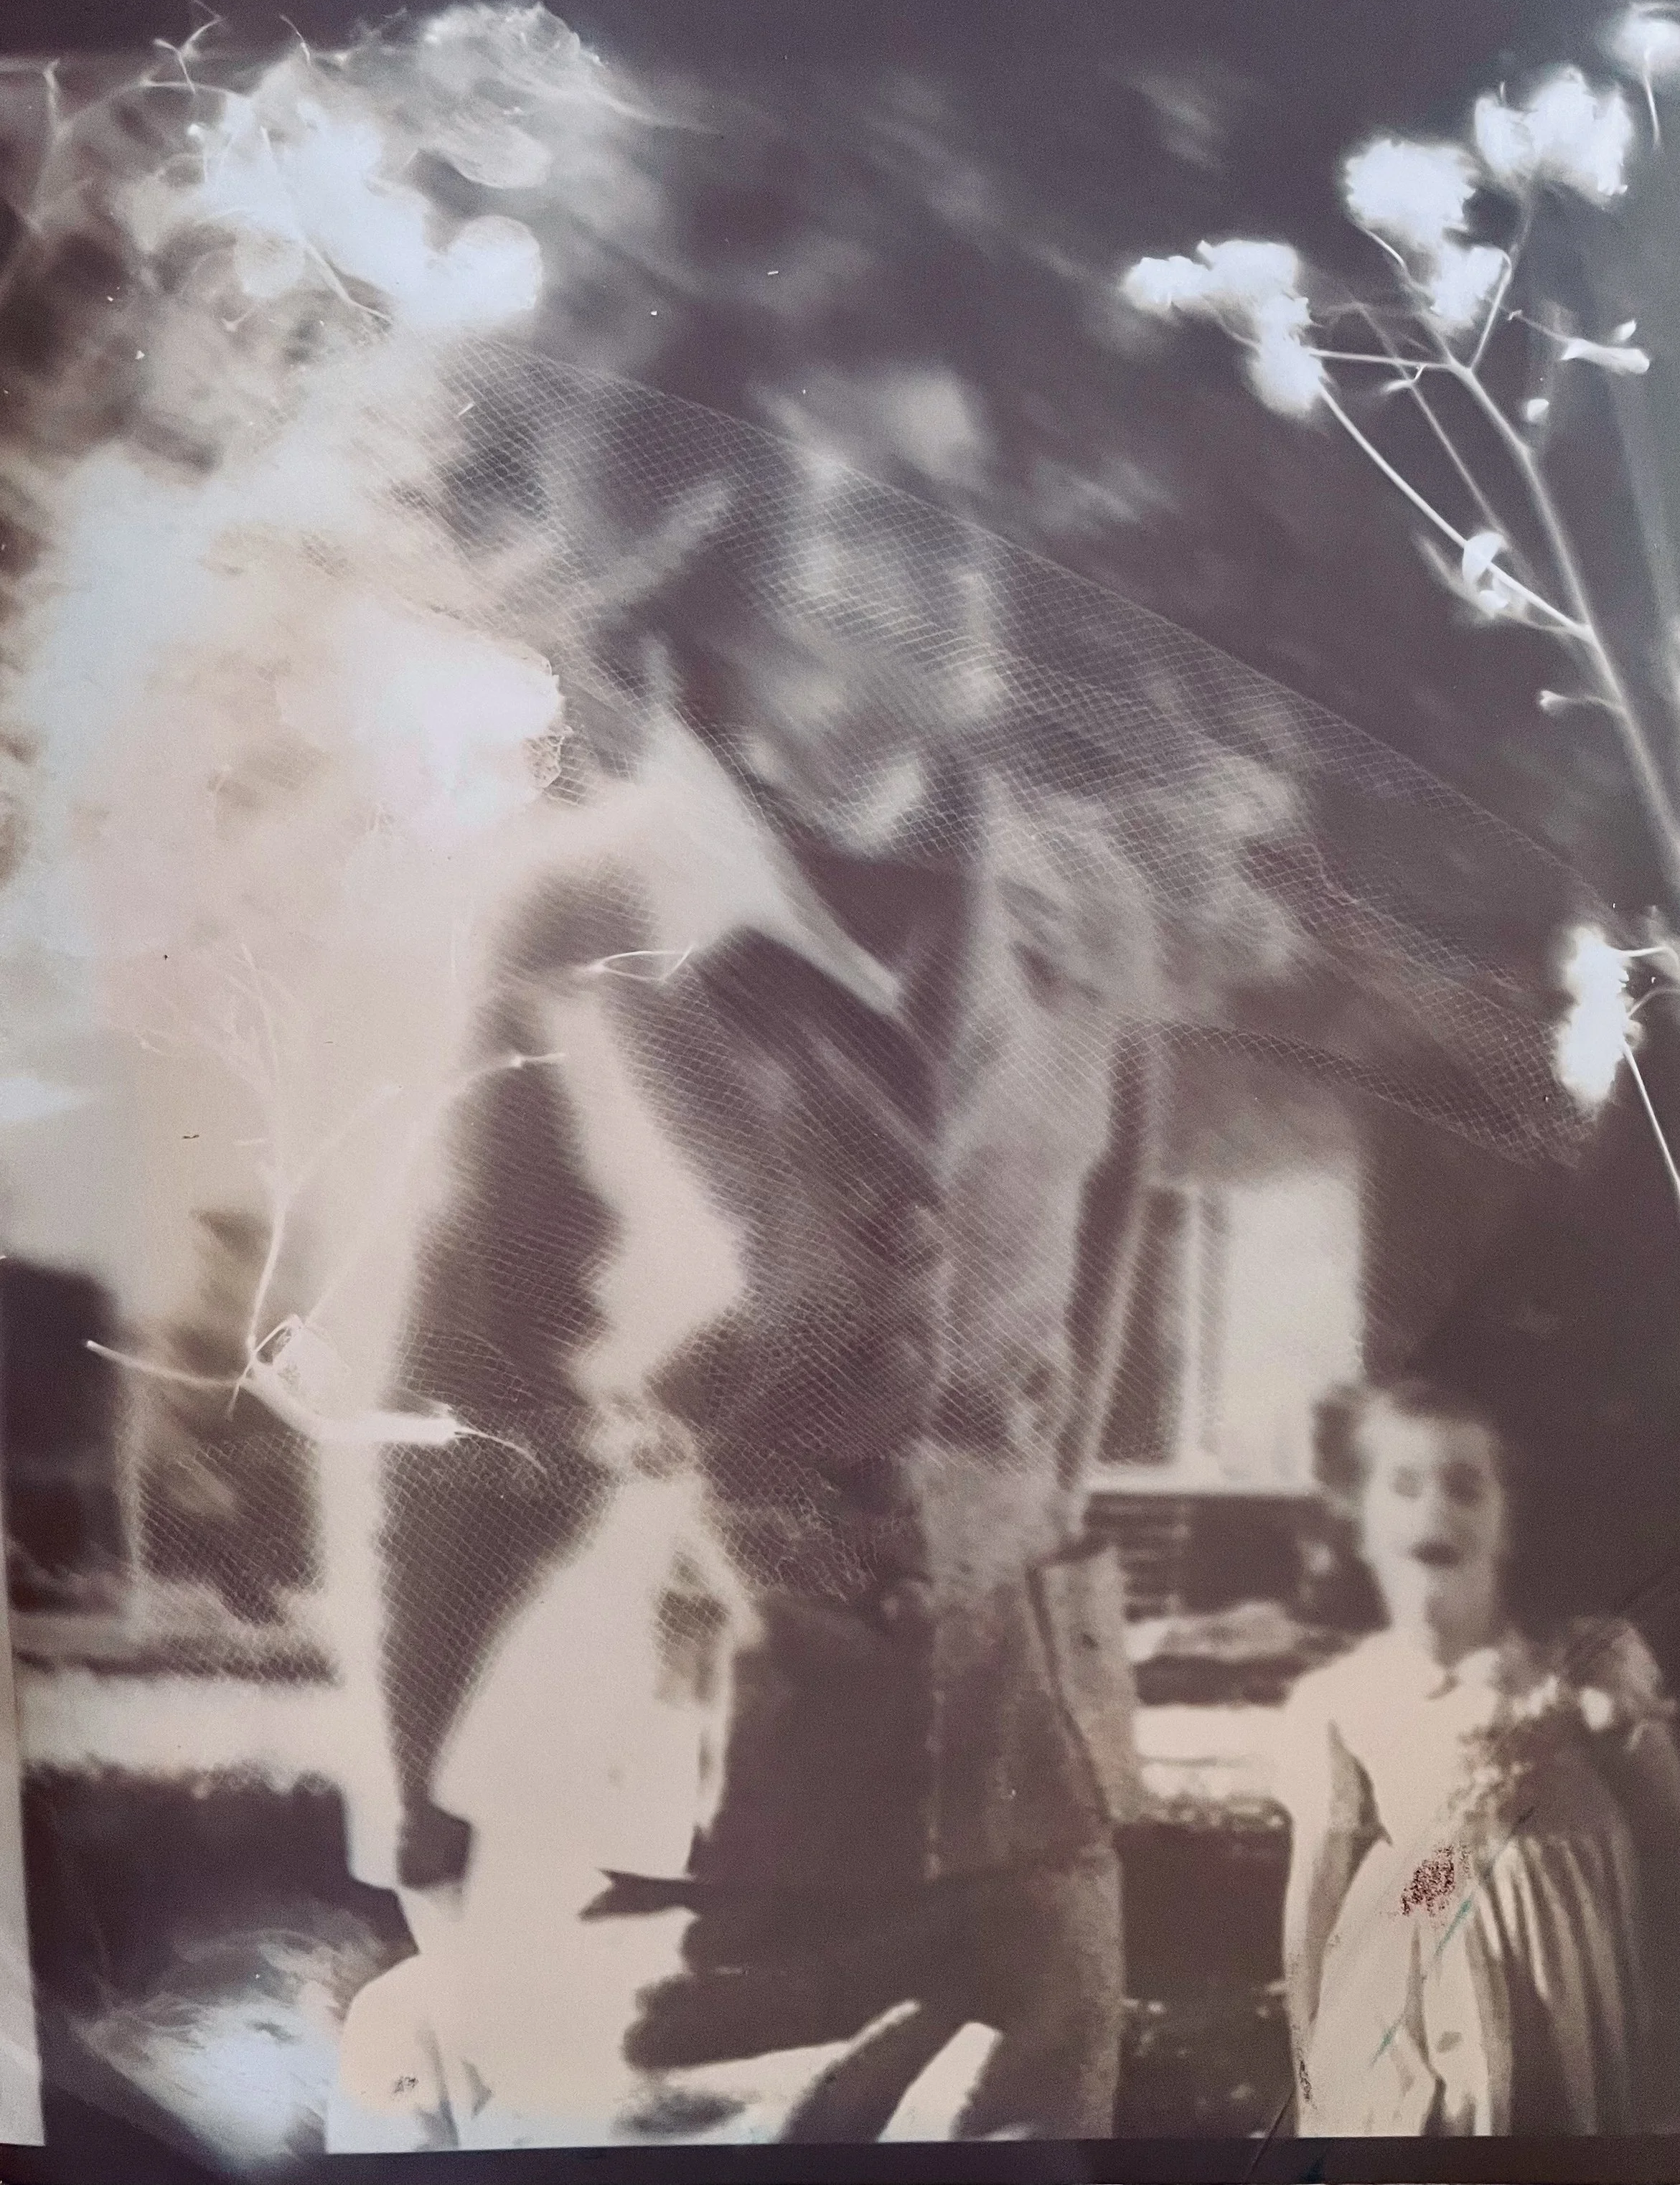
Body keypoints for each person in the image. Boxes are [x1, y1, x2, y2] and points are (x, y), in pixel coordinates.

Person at [326, 494, 1163, 2148]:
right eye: (872, 502)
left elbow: (1077, 1374)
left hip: (1014, 1822)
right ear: (732, 579)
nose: (952, 547)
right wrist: (409, 1800)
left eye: (963, 492)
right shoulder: (569, 912)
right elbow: (439, 1392)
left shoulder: (1084, 918)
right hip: (660, 1829)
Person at [1278, 1376, 1680, 2138]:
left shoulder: (1587, 1660)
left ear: (1506, 1522)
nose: (1434, 1509)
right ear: (1359, 1522)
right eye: (1405, 1485)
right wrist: (1311, 2058)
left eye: (1464, 1486)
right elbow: (1316, 1896)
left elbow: (1669, 1840)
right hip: (1412, 1976)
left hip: (1569, 1977)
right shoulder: (1340, 1697)